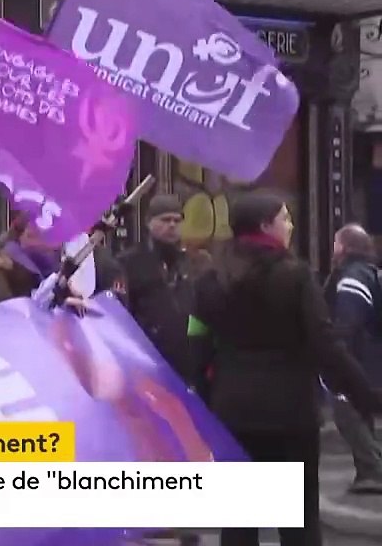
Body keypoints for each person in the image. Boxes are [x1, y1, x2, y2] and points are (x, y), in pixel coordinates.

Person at [190, 190, 382, 546]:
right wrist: (366, 397)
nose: (291, 225)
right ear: (266, 225)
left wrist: (206, 401)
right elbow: (325, 344)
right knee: (297, 522)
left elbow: (197, 341)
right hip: (290, 414)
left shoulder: (209, 281)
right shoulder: (296, 277)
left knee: (239, 520)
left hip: (232, 411)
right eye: (285, 218)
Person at [324, 223, 382, 494]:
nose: (333, 248)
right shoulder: (369, 272)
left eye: (336, 243)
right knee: (361, 412)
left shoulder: (353, 277)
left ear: (344, 247)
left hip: (356, 360)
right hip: (369, 362)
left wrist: (338, 353)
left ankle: (372, 470)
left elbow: (349, 318)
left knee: (346, 412)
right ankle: (366, 471)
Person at [117, 194, 197, 380]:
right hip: (148, 359)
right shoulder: (129, 262)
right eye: (165, 220)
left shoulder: (191, 263)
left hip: (187, 361)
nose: (172, 225)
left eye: (177, 220)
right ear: (148, 222)